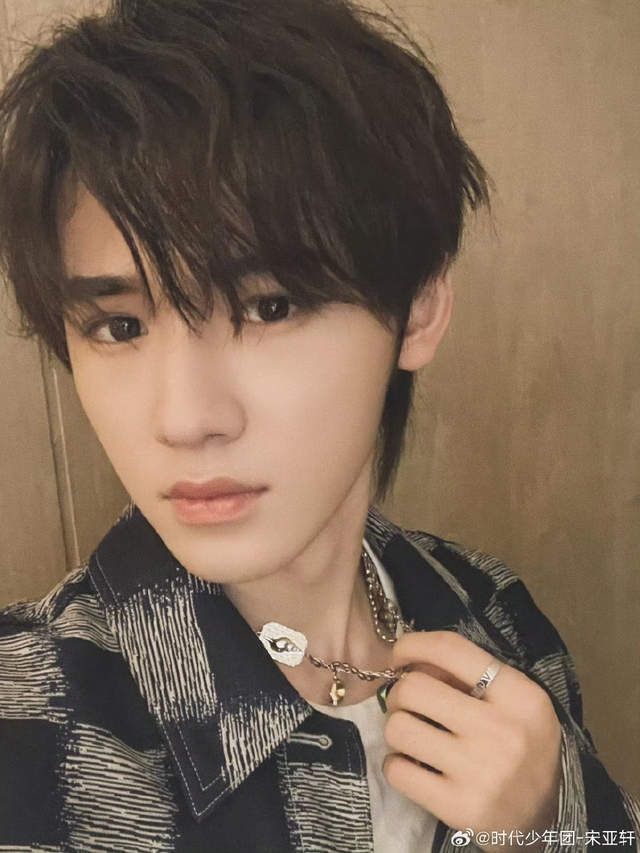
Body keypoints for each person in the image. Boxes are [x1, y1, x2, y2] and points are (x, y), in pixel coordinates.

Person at [0, 0, 637, 850]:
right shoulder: (25, 722)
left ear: (416, 309)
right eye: (120, 326)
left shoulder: (494, 617)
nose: (185, 418)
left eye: (270, 306)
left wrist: (556, 825)